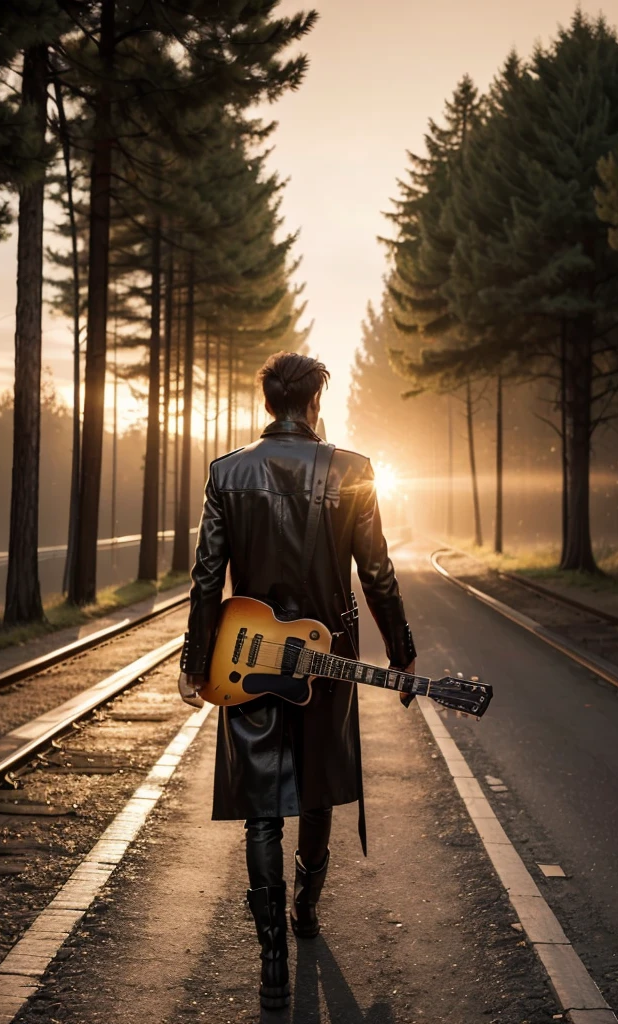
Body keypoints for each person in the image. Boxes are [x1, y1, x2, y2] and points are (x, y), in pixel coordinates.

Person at [177, 351, 416, 1010]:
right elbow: (379, 575)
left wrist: (196, 664)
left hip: (246, 655)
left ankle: (272, 962)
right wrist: (402, 652)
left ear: (269, 406)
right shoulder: (353, 471)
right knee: (315, 787)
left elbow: (206, 579)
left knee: (262, 807)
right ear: (313, 404)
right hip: (327, 660)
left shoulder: (228, 473)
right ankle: (305, 913)